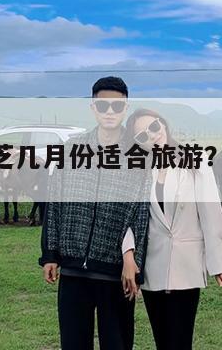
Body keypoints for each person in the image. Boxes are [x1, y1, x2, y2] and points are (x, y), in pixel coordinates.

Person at [38, 77, 151, 350]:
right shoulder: (71, 149)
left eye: (117, 106)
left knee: (117, 344)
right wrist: (50, 254)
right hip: (73, 269)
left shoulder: (138, 156)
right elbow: (55, 203)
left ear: (125, 108)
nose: (110, 112)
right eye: (103, 106)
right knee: (73, 343)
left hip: (116, 271)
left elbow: (140, 213)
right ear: (93, 107)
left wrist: (135, 263)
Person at [122, 108, 222, 350]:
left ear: (163, 124)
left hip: (186, 265)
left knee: (180, 341)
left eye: (154, 127)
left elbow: (211, 215)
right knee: (162, 340)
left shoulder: (195, 161)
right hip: (152, 266)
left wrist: (220, 266)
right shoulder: (139, 170)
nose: (152, 135)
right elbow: (129, 217)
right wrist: (129, 254)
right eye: (142, 135)